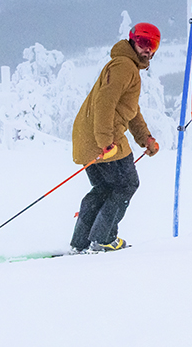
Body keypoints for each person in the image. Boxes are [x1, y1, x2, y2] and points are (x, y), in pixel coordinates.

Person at [69, 22, 162, 253]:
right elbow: (105, 102)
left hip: (88, 137)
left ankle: (81, 242)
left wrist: (145, 138)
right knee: (126, 184)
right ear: (132, 41)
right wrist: (105, 141)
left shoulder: (125, 66)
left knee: (103, 188)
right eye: (142, 42)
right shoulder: (124, 66)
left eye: (152, 44)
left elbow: (129, 110)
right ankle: (104, 238)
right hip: (104, 139)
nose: (147, 49)